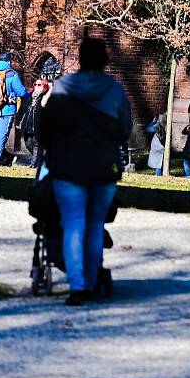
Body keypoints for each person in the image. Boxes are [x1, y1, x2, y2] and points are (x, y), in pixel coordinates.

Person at [38, 38, 132, 306]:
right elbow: (124, 129)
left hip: (68, 167)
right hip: (103, 167)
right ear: (104, 61)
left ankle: (77, 286)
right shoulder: (114, 91)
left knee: (73, 224)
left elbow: (46, 130)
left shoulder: (64, 88)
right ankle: (90, 281)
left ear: (80, 59)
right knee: (94, 225)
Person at [0, 52, 30, 166]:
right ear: (9, 61)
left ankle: (6, 159)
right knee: (2, 137)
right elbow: (21, 92)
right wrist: (28, 95)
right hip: (7, 110)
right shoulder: (12, 74)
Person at [19, 78, 51, 169]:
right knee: (28, 144)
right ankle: (41, 160)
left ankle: (34, 164)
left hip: (39, 126)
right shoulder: (30, 96)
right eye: (35, 84)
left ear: (44, 87)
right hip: (28, 126)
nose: (36, 86)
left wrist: (50, 87)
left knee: (37, 144)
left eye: (39, 85)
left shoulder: (45, 98)